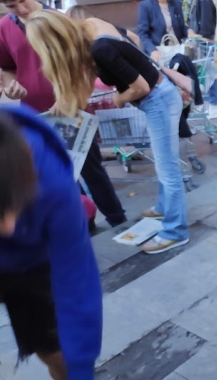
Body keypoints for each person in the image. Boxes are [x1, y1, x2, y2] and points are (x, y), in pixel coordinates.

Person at [27, 9, 191, 254]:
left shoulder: (99, 49)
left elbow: (140, 87)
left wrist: (118, 98)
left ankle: (176, 231)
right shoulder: (91, 26)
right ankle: (164, 206)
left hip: (157, 99)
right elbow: (128, 48)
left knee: (168, 169)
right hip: (159, 96)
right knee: (163, 163)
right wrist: (59, 109)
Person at [0, 0, 127, 229]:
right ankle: (83, 219)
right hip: (34, 112)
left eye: (22, 1)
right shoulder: (4, 28)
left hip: (71, 108)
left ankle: (117, 219)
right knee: (58, 173)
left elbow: (84, 63)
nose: (20, 9)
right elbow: (8, 68)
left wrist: (69, 95)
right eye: (11, 6)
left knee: (90, 168)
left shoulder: (59, 18)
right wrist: (10, 86)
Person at [0, 106, 103, 380]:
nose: (9, 229)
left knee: (56, 353)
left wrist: (80, 368)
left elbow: (77, 286)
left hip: (34, 264)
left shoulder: (54, 186)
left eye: (13, 208)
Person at [187, 0, 217, 118]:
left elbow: (207, 22)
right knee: (203, 72)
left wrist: (201, 38)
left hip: (204, 39)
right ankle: (206, 103)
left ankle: (213, 104)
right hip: (200, 39)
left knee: (208, 71)